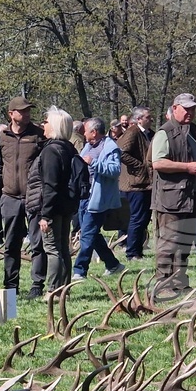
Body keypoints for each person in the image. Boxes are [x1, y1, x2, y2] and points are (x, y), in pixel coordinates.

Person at [151, 93, 196, 294]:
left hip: (191, 196)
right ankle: (163, 284)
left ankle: (180, 281)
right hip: (171, 198)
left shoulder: (193, 131)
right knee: (169, 242)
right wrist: (187, 167)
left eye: (193, 109)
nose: (190, 112)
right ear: (175, 108)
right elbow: (158, 163)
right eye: (186, 109)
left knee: (184, 242)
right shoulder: (164, 132)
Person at [0, 96, 46, 298]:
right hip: (9, 197)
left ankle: (37, 284)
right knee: (11, 244)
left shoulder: (39, 135)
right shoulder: (2, 137)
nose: (27, 114)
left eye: (28, 110)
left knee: (37, 243)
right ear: (11, 114)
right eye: (22, 111)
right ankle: (11, 285)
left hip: (34, 197)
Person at [27, 106, 77, 292]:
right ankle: (65, 289)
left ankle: (54, 290)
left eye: (46, 122)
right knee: (63, 248)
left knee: (52, 249)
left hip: (53, 208)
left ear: (55, 126)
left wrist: (45, 215)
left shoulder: (51, 151)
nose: (43, 125)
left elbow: (50, 185)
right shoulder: (69, 148)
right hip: (67, 206)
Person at [71, 117, 125, 280]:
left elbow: (115, 170)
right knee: (91, 233)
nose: (83, 133)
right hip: (84, 197)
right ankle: (113, 264)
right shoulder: (88, 146)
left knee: (87, 234)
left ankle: (79, 271)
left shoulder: (110, 148)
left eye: (86, 131)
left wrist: (94, 163)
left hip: (98, 199)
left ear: (94, 132)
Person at [117, 106, 154, 261]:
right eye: (148, 117)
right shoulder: (133, 132)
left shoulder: (148, 134)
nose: (151, 119)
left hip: (145, 183)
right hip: (135, 185)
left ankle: (138, 250)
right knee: (137, 218)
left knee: (144, 218)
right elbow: (121, 152)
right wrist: (139, 166)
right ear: (139, 119)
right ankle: (132, 252)